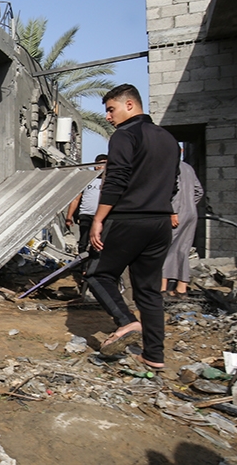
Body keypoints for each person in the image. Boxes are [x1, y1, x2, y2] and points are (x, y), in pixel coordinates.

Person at [88, 84, 179, 371]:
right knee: (149, 290)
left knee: (97, 274)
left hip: (129, 219)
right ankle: (154, 355)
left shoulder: (125, 135)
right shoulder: (168, 139)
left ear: (130, 105)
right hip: (160, 222)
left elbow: (116, 179)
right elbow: (173, 183)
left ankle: (127, 323)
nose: (108, 117)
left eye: (111, 109)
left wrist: (98, 218)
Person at [161, 161, 203, 298]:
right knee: (183, 249)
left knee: (163, 248)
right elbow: (199, 191)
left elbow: (169, 190)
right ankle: (181, 288)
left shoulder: (167, 165)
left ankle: (161, 288)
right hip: (191, 212)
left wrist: (173, 211)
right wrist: (189, 204)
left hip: (174, 212)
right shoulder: (188, 167)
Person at [65, 154, 108, 257]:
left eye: (104, 164)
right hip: (86, 214)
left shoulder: (109, 182)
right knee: (83, 240)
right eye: (99, 164)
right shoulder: (87, 179)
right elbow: (76, 199)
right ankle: (81, 266)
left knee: (98, 241)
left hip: (101, 216)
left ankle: (93, 265)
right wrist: (69, 217)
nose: (100, 167)